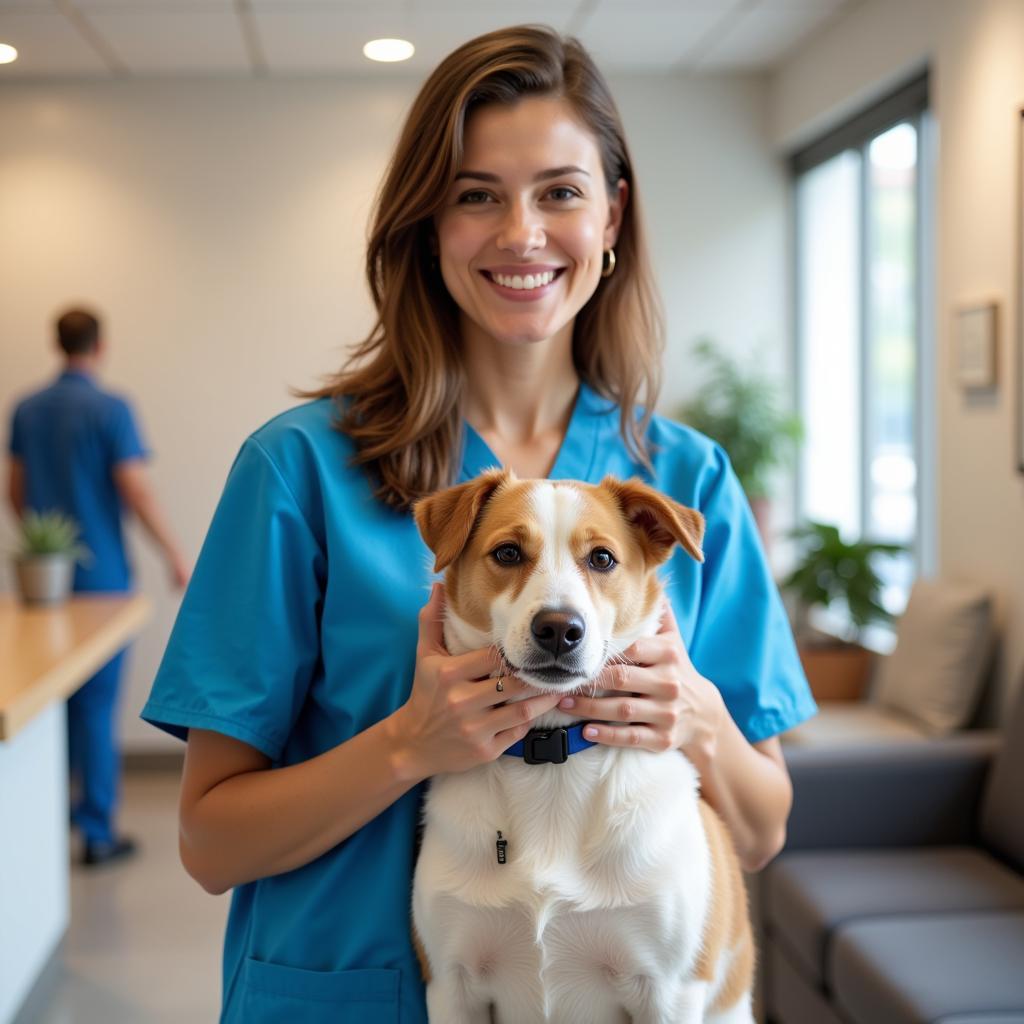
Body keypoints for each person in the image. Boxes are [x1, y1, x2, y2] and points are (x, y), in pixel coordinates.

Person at [141, 25, 817, 1022]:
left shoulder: (684, 480)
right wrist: (410, 744)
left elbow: (759, 831)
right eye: (475, 195)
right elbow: (208, 842)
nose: (521, 233)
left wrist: (699, 722)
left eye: (559, 190)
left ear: (613, 214)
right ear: (427, 224)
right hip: (336, 994)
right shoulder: (297, 470)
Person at [7, 307, 190, 866]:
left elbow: (13, 490)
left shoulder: (26, 409)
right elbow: (134, 489)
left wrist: (44, 541)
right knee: (96, 703)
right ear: (100, 345)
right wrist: (173, 555)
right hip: (103, 576)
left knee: (44, 704)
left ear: (55, 343)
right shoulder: (111, 408)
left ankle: (43, 823)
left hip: (44, 576)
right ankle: (96, 831)